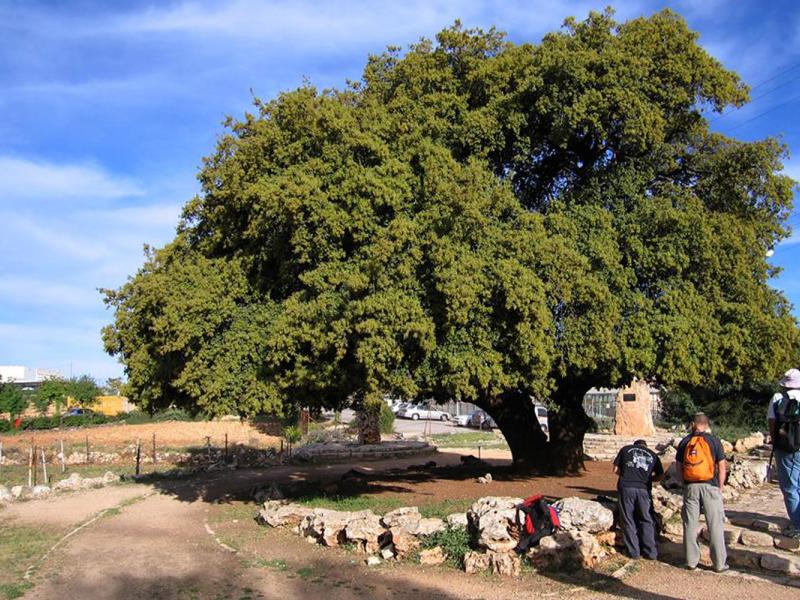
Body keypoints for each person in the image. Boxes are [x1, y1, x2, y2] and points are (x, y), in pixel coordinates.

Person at [675, 413, 728, 572]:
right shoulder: (714, 441)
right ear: (706, 425)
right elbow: (722, 466)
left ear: (693, 424)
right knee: (715, 525)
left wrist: (683, 484)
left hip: (691, 487)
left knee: (690, 524)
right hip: (710, 486)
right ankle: (719, 563)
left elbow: (679, 467)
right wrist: (720, 487)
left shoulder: (685, 442)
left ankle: (691, 561)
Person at [613, 439, 664, 560]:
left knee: (628, 519)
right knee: (646, 519)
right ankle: (651, 552)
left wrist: (626, 474)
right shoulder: (653, 455)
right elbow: (661, 475)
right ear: (645, 446)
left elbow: (615, 470)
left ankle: (633, 552)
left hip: (626, 487)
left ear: (635, 445)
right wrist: (649, 479)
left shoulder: (625, 449)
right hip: (644, 489)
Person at [768, 368, 800, 536]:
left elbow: (772, 422)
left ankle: (797, 524)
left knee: (789, 486)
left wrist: (775, 441)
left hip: (786, 446)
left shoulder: (778, 398)